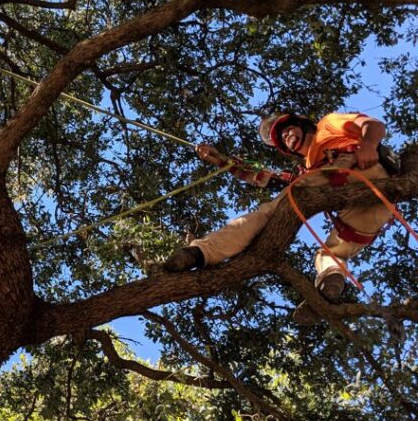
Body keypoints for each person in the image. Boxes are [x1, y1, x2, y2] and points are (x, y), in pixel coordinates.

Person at [162, 111, 396, 323]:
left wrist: (368, 144)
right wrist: (219, 160)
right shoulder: (307, 170)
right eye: (282, 139)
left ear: (303, 125)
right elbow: (265, 177)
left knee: (269, 211)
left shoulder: (327, 124)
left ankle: (203, 251)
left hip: (356, 167)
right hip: (372, 208)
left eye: (288, 130)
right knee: (330, 254)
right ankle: (329, 285)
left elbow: (373, 124)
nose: (286, 136)